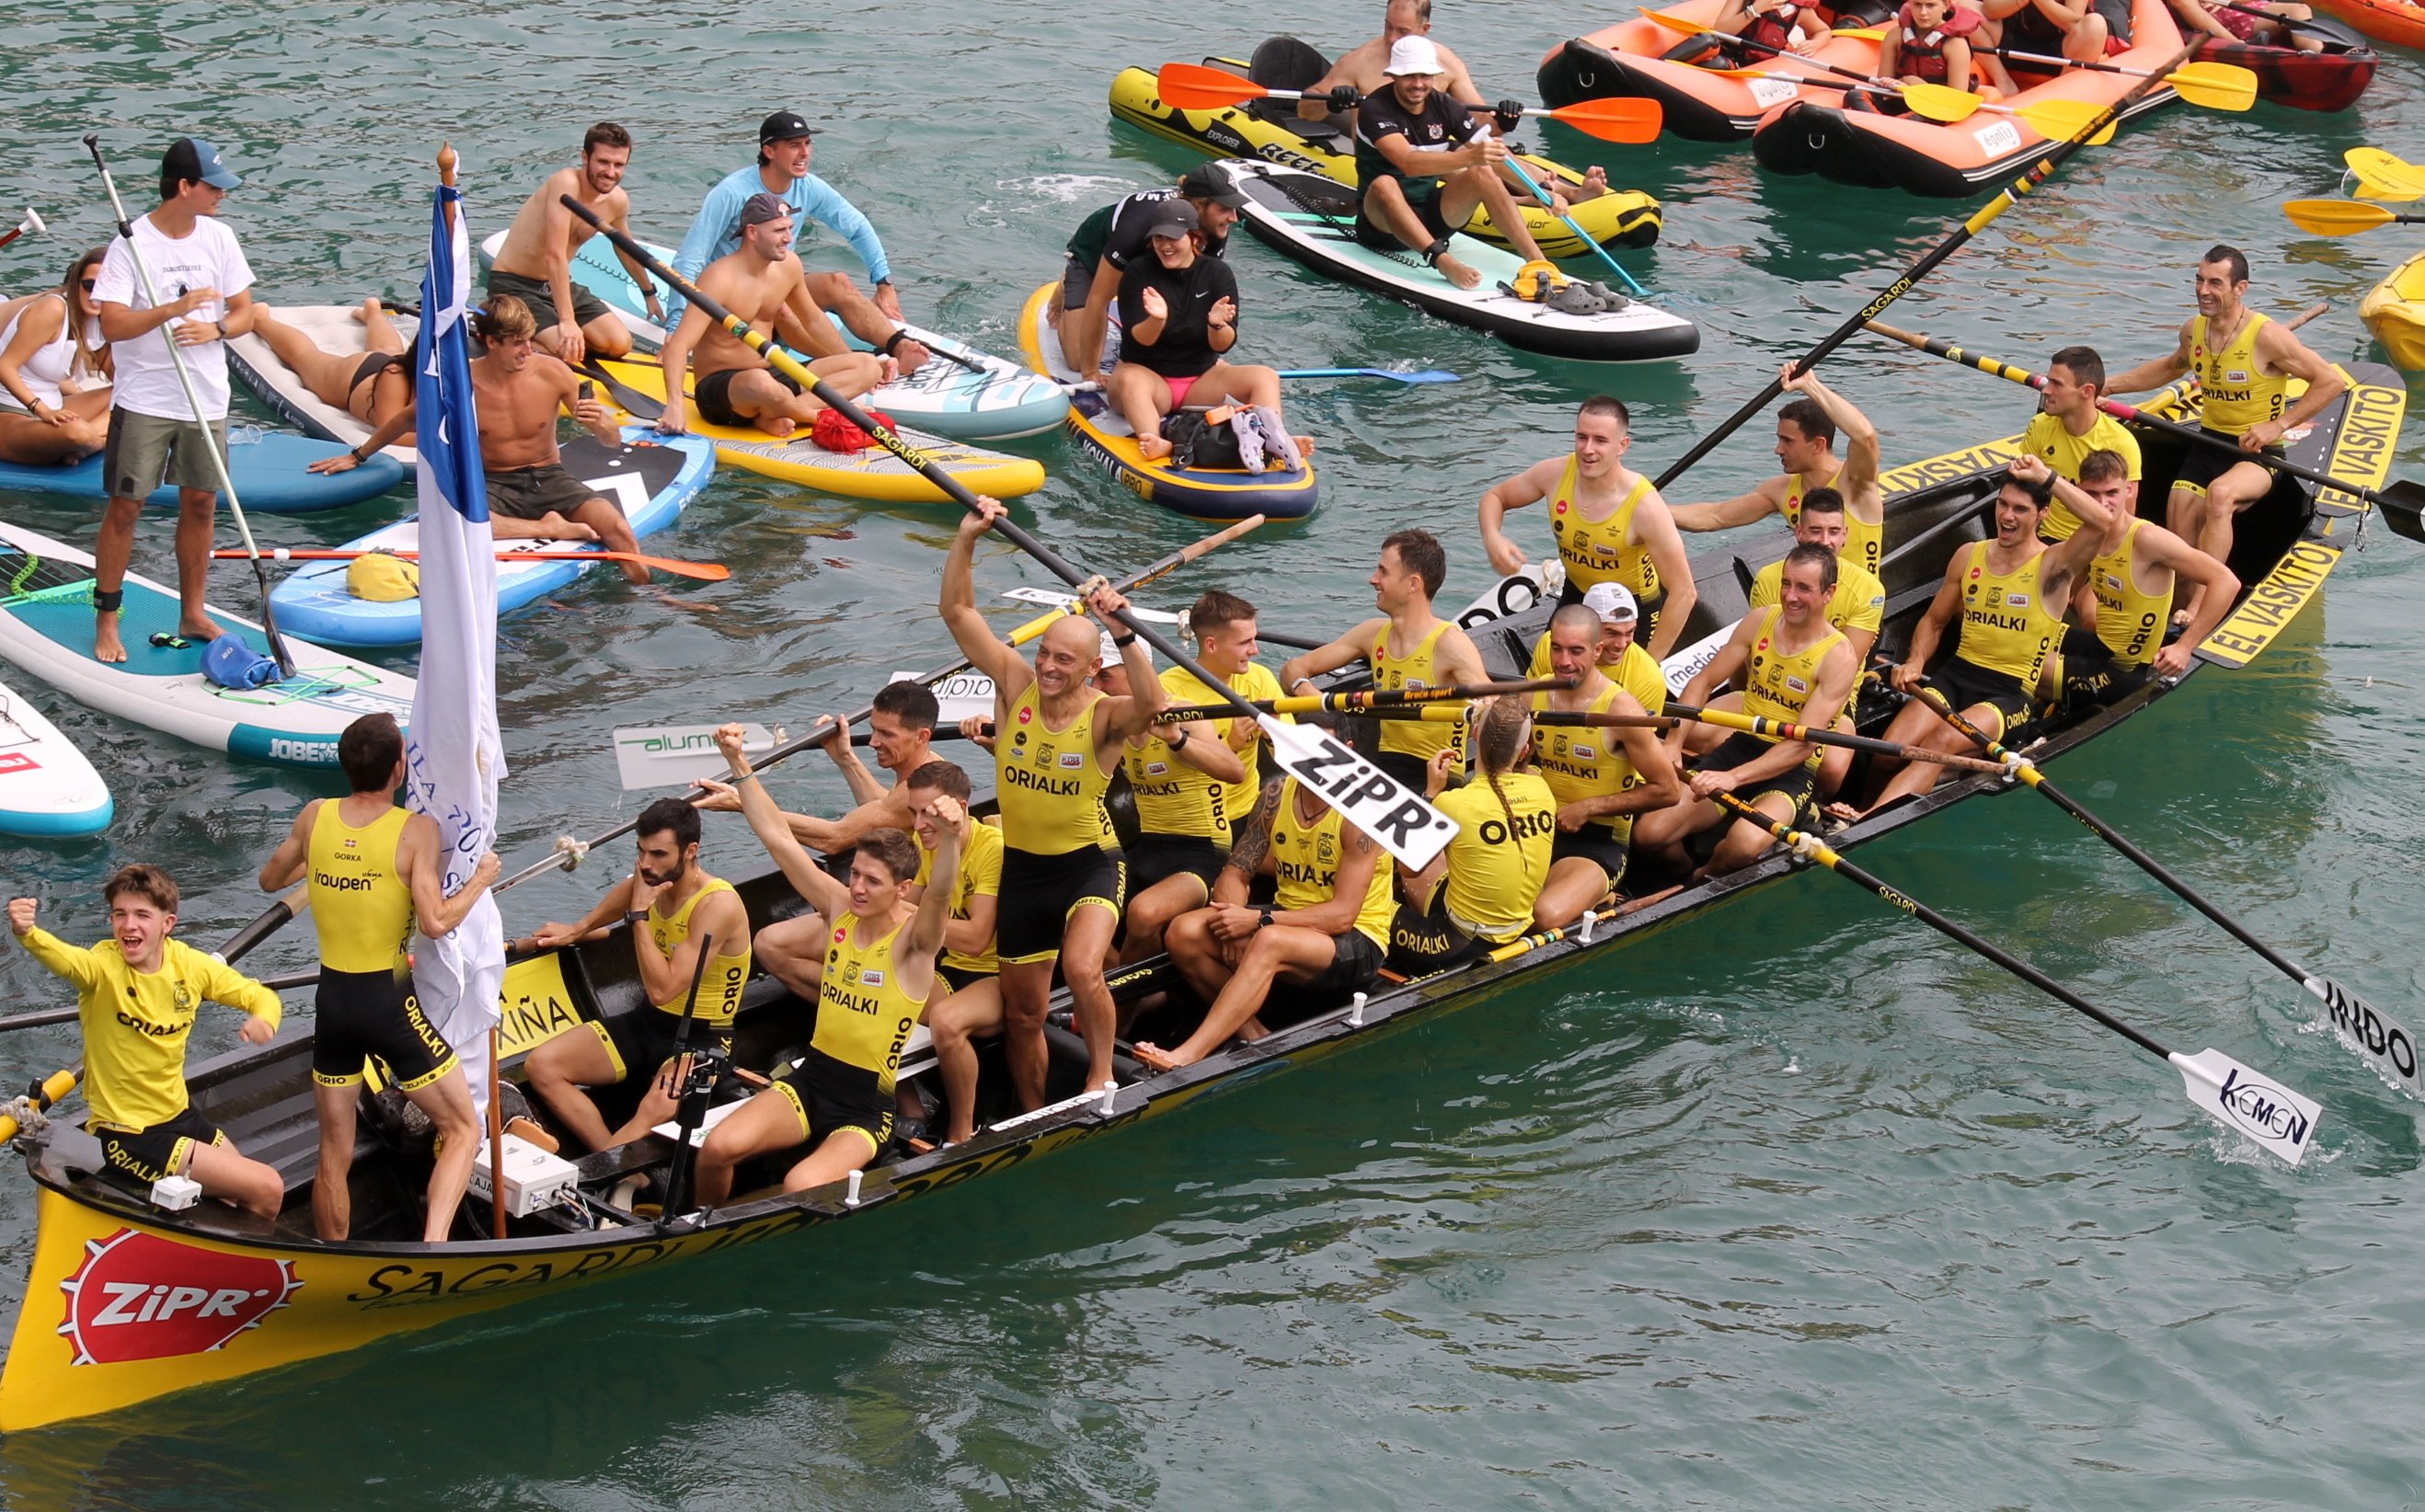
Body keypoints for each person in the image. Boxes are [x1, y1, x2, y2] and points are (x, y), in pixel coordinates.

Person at [939, 495, 1162, 1104]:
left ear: (1093, 667)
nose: (1046, 667)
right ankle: (1033, 1111)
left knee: (1086, 967)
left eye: (1063, 659)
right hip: (1025, 873)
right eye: (1044, 654)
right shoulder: (1015, 685)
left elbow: (1153, 706)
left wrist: (1124, 630)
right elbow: (958, 611)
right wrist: (968, 538)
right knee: (1022, 1015)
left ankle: (1100, 1076)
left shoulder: (1104, 715)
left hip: (1088, 864)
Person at [256, 713, 498, 1243]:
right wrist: (480, 878)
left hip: (333, 1002)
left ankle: (332, 1254)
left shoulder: (315, 817)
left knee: (333, 1152)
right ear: (399, 768)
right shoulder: (417, 830)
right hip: (389, 1005)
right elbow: (435, 922)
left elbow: (270, 878)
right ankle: (433, 1249)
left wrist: (325, 865)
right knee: (462, 1128)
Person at [691, 725, 956, 1206]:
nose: (856, 887)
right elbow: (778, 839)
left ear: (900, 889)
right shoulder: (839, 909)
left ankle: (744, 1219)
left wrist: (952, 839)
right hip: (810, 1080)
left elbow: (939, 894)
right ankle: (705, 1226)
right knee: (716, 1149)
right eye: (854, 873)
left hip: (866, 1108)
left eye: (871, 881)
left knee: (799, 1187)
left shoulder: (915, 942)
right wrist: (739, 764)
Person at [308, 296, 658, 580]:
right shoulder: (460, 386)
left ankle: (646, 592)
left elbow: (611, 440)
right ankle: (549, 527)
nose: (528, 351)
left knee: (616, 526)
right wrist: (357, 456)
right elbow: (404, 418)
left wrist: (602, 423)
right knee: (454, 522)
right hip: (492, 481)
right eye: (518, 343)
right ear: (490, 342)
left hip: (550, 478)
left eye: (530, 340)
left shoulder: (554, 374)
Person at [7, 869, 283, 1220]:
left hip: (180, 1117)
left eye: (141, 915)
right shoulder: (102, 969)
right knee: (269, 1186)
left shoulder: (190, 966)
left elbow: (260, 996)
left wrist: (263, 1019)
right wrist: (27, 933)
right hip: (129, 1136)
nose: (128, 926)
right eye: (120, 914)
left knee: (245, 1197)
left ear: (167, 923)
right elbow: (68, 961)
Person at [1855, 456, 2111, 811]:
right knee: (1888, 751)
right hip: (1956, 676)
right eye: (2003, 504)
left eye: (2020, 509)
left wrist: (2046, 476)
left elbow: (2102, 522)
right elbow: (1934, 622)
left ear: (2043, 514)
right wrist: (1915, 660)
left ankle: (1870, 819)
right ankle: (1850, 818)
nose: (2007, 516)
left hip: (2009, 693)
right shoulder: (1968, 555)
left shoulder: (2054, 565)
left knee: (1939, 746)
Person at [2105, 246, 2346, 618]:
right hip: (2207, 445)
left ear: (2240, 288)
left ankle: (2204, 606)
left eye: (2215, 282)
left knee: (2221, 496)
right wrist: (2108, 387)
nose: (2203, 290)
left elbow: (2329, 381)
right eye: (2199, 280)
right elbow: (2169, 367)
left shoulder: (2266, 336)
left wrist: (2276, 426)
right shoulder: (2193, 330)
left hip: (2258, 454)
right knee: (2180, 541)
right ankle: (2174, 611)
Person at [90, 137, 257, 664]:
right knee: (126, 506)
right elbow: (112, 323)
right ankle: (107, 619)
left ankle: (192, 609)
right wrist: (173, 309)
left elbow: (246, 311)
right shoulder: (131, 243)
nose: (220, 196)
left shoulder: (220, 237)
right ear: (184, 186)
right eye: (212, 187)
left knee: (202, 503)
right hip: (146, 397)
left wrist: (218, 328)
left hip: (205, 396)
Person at [519, 798, 753, 1153]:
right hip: (650, 1022)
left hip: (705, 1039)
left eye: (658, 854)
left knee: (652, 1110)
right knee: (543, 1065)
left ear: (690, 851)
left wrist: (640, 915)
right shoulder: (649, 879)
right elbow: (623, 898)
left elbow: (663, 989)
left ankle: (600, 1182)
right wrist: (576, 930)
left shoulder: (716, 904)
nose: (645, 864)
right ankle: (616, 1169)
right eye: (641, 851)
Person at [693, 681, 944, 1001]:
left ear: (922, 736)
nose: (874, 742)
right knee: (777, 941)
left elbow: (834, 838)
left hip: (911, 927)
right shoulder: (926, 769)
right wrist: (845, 758)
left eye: (887, 735)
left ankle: (870, 1003)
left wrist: (742, 800)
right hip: (895, 904)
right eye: (873, 730)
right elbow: (882, 811)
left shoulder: (925, 785)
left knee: (774, 945)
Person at [1138, 765, 1396, 1071]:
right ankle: (1258, 1036)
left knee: (1268, 940)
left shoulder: (1360, 814)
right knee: (1185, 931)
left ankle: (1186, 1055)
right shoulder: (1275, 796)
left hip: (1357, 938)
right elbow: (1234, 874)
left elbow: (1342, 916)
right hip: (1288, 920)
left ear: (1346, 749)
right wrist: (1233, 926)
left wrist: (1258, 922)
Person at [1634, 544, 1858, 876]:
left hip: (1792, 769)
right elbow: (1703, 682)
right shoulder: (1760, 621)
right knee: (1649, 835)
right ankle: (1685, 879)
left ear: (1829, 593)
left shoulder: (1839, 656)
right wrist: (1674, 743)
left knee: (1742, 844)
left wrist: (1732, 778)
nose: (1790, 596)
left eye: (1803, 588)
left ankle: (1708, 872)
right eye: (1786, 583)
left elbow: (1802, 744)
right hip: (1741, 747)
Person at [669, 111, 929, 372]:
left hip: (775, 284)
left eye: (807, 143)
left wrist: (884, 283)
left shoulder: (809, 187)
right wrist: (675, 327)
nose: (804, 153)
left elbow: (858, 227)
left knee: (837, 282)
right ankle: (852, 365)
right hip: (732, 299)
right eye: (794, 146)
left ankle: (898, 345)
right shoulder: (731, 192)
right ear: (769, 151)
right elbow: (691, 257)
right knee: (782, 309)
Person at [1299, 0, 1614, 206]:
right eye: (1388, 27)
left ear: (1425, 30)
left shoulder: (1446, 63)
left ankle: (1570, 193)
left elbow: (1480, 128)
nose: (1393, 38)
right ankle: (1528, 202)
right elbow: (1306, 110)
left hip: (1434, 147)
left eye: (1403, 31)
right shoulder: (1359, 61)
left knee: (1489, 152)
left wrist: (1503, 119)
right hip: (1388, 159)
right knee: (1458, 164)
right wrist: (1334, 103)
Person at [1479, 395, 1699, 657]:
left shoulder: (1645, 507)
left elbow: (1684, 592)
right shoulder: (1555, 473)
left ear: (1623, 446)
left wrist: (1649, 664)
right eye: (1582, 437)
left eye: (1600, 440)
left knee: (1613, 694)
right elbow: (1495, 497)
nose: (1587, 449)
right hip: (1578, 595)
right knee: (1547, 678)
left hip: (1630, 612)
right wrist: (1493, 538)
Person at [655, 192, 886, 440]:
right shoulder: (719, 279)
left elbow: (813, 320)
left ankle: (774, 414)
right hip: (724, 390)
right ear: (752, 233)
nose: (788, 238)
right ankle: (820, 415)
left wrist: (845, 366)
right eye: (779, 231)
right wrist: (675, 405)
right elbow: (679, 345)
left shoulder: (789, 266)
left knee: (867, 365)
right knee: (761, 384)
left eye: (789, 229)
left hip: (774, 375)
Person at [1281, 528, 1488, 793]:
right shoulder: (1372, 633)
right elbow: (1293, 668)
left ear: (1413, 584)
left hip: (1437, 772)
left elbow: (1491, 705)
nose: (1373, 579)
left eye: (1383, 572)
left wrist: (1483, 715)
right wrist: (1313, 697)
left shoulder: (1449, 644)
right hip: (1386, 766)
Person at [1094, 625, 1251, 967]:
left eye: (1104, 676)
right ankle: (1134, 992)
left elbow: (1233, 770)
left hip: (1202, 851)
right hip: (1148, 845)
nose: (1096, 687)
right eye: (1092, 677)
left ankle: (1119, 1005)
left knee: (1144, 913)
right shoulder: (1112, 723)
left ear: (1135, 673)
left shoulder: (1182, 712)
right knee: (1067, 904)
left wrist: (1177, 740)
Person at [1351, 37, 1557, 293]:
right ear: (1393, 75)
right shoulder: (1374, 108)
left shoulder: (1444, 105)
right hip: (1380, 226)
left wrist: (1541, 190)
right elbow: (1408, 163)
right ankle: (1444, 263)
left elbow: (1492, 154)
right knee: (1385, 183)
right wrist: (1470, 157)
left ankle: (1538, 262)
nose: (1418, 84)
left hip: (1431, 219)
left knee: (1482, 172)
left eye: (1425, 76)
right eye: (1409, 76)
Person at [1529, 603, 1684, 925]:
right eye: (1556, 649)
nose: (1564, 662)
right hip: (1539, 826)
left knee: (1545, 915)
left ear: (1597, 650)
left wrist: (1588, 807)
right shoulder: (1534, 694)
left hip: (1599, 839)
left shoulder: (1621, 710)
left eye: (1576, 651)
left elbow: (1668, 790)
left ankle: (1603, 894)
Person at [1106, 200, 1293, 465]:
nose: (1165, 245)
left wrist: (1216, 324)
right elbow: (1140, 339)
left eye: (1173, 237)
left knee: (1265, 376)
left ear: (1195, 237)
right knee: (1130, 381)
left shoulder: (1217, 273)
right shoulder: (1139, 271)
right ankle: (1155, 439)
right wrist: (1157, 319)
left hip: (1200, 380)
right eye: (1159, 237)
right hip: (1148, 378)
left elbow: (1222, 346)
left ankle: (1271, 438)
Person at [2052, 448, 2240, 709]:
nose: (2102, 503)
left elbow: (2227, 582)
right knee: (2008, 640)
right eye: (2092, 494)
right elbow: (2063, 594)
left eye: (2111, 493)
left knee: (2022, 662)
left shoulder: (2147, 539)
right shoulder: (2091, 536)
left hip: (2124, 672)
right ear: (2080, 494)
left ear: (2128, 490)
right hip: (2098, 647)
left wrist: (2184, 647)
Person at [1388, 697, 1557, 975]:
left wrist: (1430, 794)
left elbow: (1407, 866)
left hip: (1457, 943)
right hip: (1518, 930)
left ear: (1475, 734)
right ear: (1525, 749)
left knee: (1373, 907)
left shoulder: (1453, 803)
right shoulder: (1542, 790)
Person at [1672, 365, 1888, 578]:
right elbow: (1715, 516)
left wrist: (1811, 385)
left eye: (1788, 441)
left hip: (1858, 607)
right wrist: (1650, 508)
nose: (1778, 449)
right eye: (1779, 439)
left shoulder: (1854, 483)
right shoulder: (1781, 490)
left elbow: (1865, 437)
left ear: (1818, 445)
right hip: (1809, 602)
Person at [1743, 487, 1885, 797]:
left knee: (1833, 767)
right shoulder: (1769, 578)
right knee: (1701, 734)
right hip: (1768, 688)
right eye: (1815, 531)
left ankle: (1812, 805)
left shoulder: (1868, 588)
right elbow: (1753, 649)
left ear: (1845, 535)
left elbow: (1844, 668)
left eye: (1833, 532)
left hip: (1831, 699)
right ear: (1798, 532)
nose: (1825, 541)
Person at [485, 122, 658, 365]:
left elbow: (624, 247)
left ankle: (545, 336)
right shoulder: (565, 184)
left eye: (619, 165)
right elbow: (554, 255)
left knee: (619, 344)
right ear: (585, 157)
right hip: (515, 284)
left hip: (555, 285)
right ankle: (504, 336)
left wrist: (648, 292)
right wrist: (567, 321)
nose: (610, 172)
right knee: (567, 351)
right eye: (603, 162)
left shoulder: (617, 201)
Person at [898, 760, 1006, 1149]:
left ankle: (962, 1131)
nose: (918, 824)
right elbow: (903, 905)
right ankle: (906, 1105)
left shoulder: (991, 849)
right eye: (913, 813)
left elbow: (977, 938)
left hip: (996, 975)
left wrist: (909, 913)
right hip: (950, 969)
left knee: (945, 1021)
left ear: (957, 810)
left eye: (929, 813)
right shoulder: (924, 843)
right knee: (874, 985)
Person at [1054, 166, 1247, 380]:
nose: (1234, 218)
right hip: (1094, 255)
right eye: (1225, 209)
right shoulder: (1137, 227)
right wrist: (1091, 372)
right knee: (1076, 361)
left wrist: (1199, 362)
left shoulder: (1215, 228)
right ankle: (1068, 285)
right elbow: (1100, 298)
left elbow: (1195, 295)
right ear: (1200, 206)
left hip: (1151, 265)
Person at [245, 297, 415, 442]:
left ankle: (373, 313)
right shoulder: (394, 378)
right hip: (354, 379)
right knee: (304, 357)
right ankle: (260, 319)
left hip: (392, 364)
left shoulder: (428, 375)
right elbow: (390, 433)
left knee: (389, 349)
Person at [0, 246, 112, 464]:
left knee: (132, 395)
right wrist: (42, 410)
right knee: (78, 433)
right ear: (75, 283)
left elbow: (124, 380)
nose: (97, 295)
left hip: (56, 409)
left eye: (107, 287)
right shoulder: (53, 308)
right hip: (11, 413)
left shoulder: (97, 320)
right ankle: (96, 443)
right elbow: (4, 366)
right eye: (90, 286)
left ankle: (86, 444)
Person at [2021, 344, 2142, 543]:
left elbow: (2123, 522)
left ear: (2087, 391)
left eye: (2057, 384)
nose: (2046, 390)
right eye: (2048, 381)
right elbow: (2024, 493)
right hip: (2049, 539)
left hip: (2098, 543)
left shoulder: (2121, 443)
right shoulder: (2039, 425)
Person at [1523, 581, 1670, 716]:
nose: (1621, 644)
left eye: (1630, 632)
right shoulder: (1551, 643)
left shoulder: (1649, 679)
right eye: (1611, 633)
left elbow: (1640, 741)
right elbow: (1528, 705)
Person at [1975, 0, 2132, 91]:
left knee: (2095, 25)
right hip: (2013, 44)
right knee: (1967, 8)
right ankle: (2004, 82)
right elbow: (1990, 10)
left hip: (2060, 55)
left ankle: (2063, 91)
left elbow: (2073, 21)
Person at [1868, 0, 1983, 94]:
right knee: (1855, 96)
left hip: (1936, 106)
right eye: (1917, 4)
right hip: (1899, 98)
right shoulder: (1895, 36)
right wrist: (1898, 83)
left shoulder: (1955, 44)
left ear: (1946, 6)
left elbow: (1957, 99)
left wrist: (1916, 85)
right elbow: (1881, 89)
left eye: (1930, 5)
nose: (1923, 12)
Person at [2166, 0, 2324, 50]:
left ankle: (2317, 56)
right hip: (2197, 14)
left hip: (2236, 9)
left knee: (2300, 11)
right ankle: (2238, 46)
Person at [1715, 0, 1831, 57]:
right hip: (1731, 54)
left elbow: (1823, 31)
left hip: (1763, 64)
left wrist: (1815, 43)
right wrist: (1754, 11)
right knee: (1717, 62)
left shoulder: (1800, 11)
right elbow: (1719, 34)